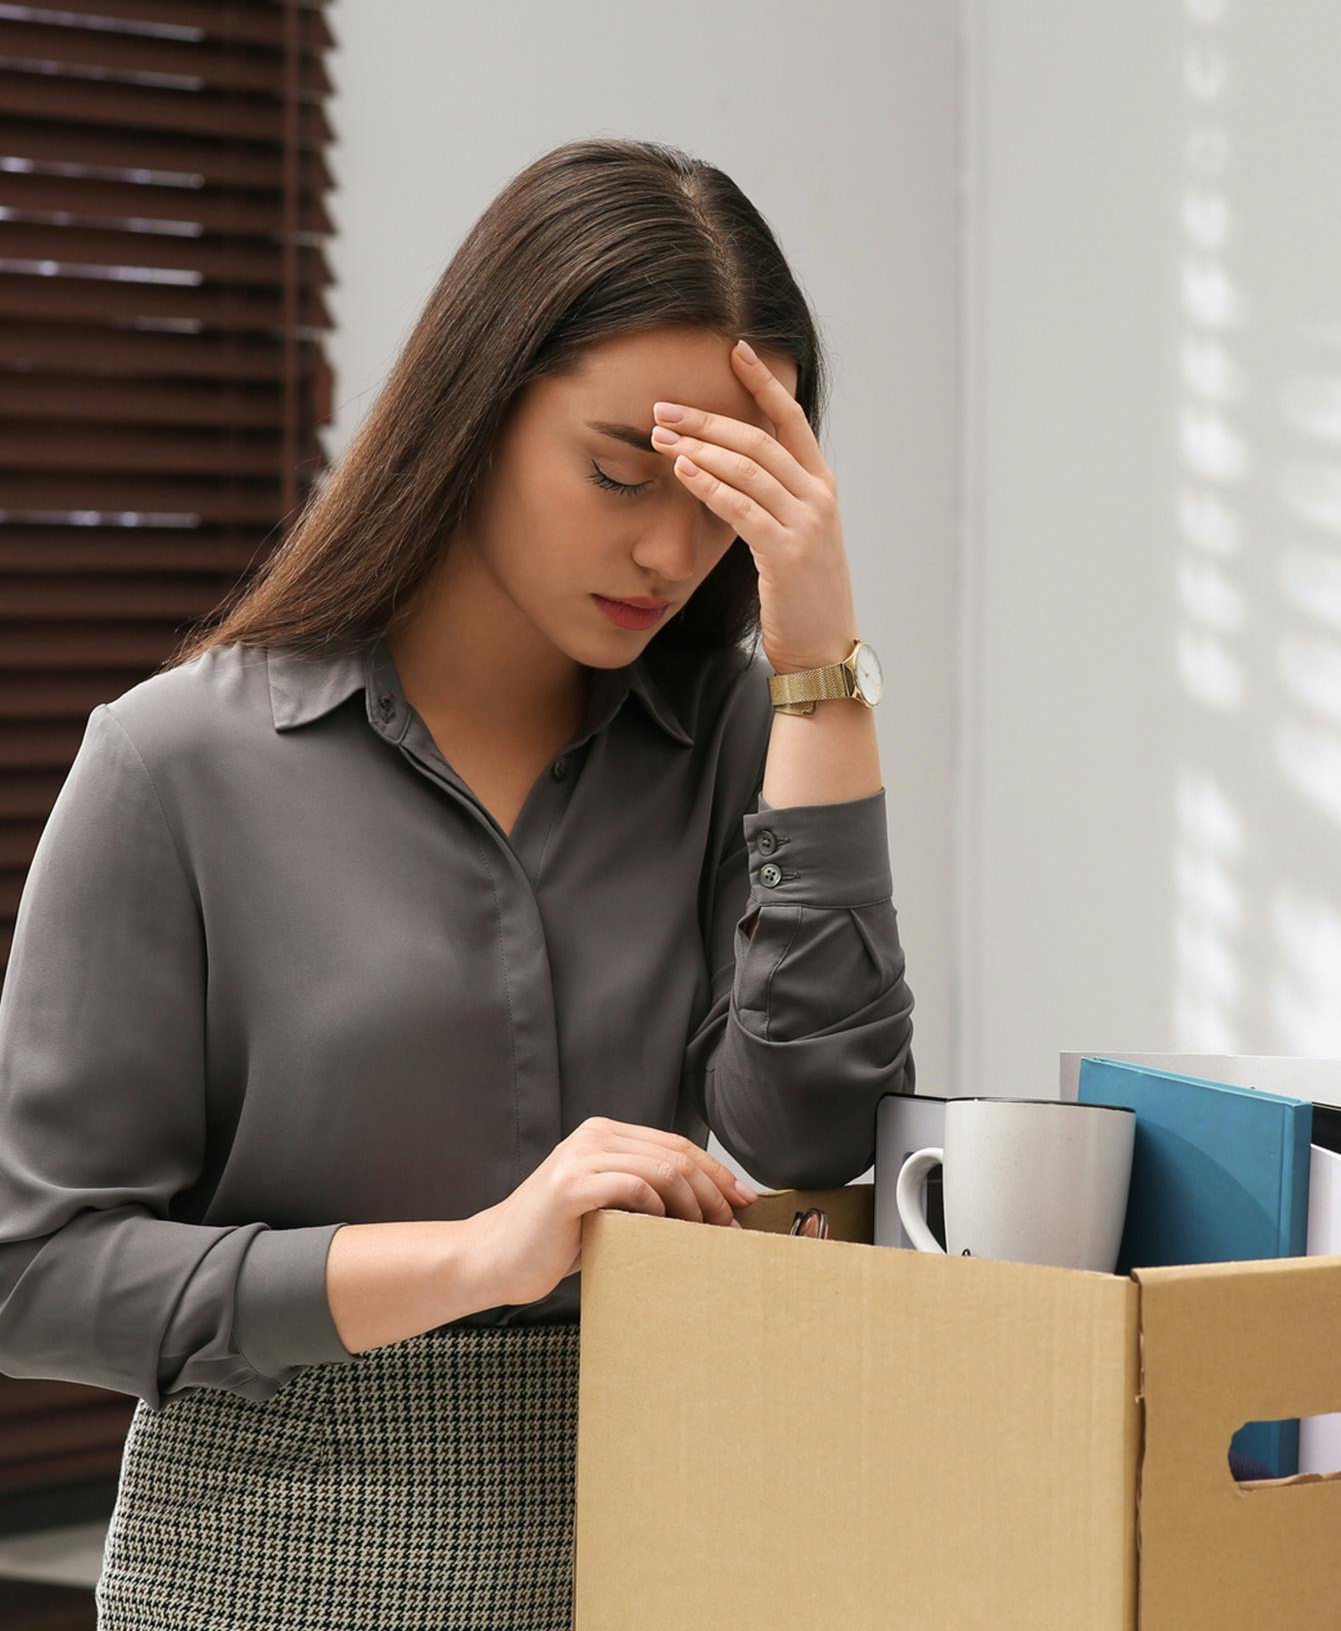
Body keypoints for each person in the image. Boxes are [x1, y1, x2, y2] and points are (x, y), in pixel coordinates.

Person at [0, 138, 915, 1629]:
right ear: (480, 407)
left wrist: (823, 668)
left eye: (724, 498)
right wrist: (477, 1257)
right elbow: (36, 1273)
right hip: (274, 1561)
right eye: (623, 471)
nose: (673, 548)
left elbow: (809, 1137)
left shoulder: (739, 737)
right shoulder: (173, 765)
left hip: (668, 1530)